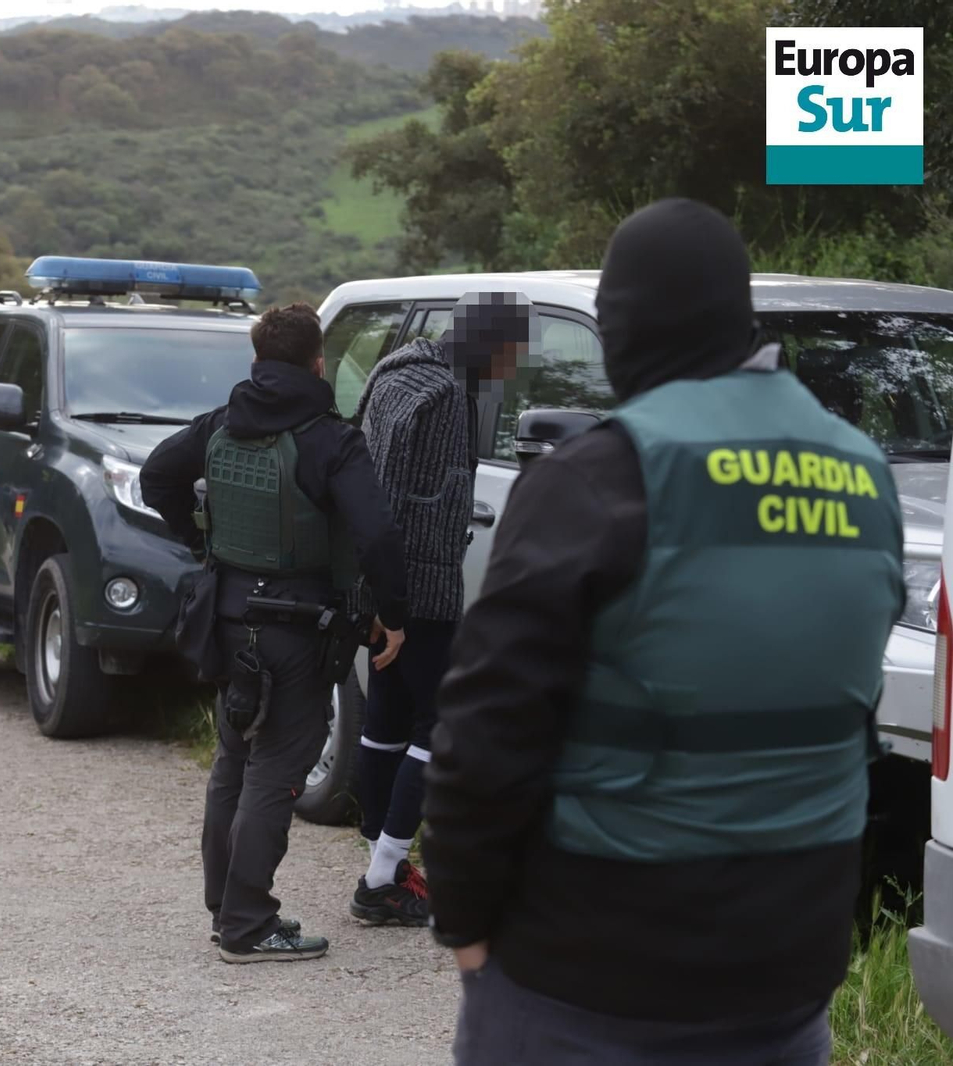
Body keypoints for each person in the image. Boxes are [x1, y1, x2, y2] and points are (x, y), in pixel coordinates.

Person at [422, 198, 905, 1065]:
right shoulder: (865, 476)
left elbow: (484, 736)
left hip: (595, 979)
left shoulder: (597, 476)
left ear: (623, 326)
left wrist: (462, 923)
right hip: (790, 971)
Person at [141, 302, 411, 963]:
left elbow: (155, 477)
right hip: (299, 629)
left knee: (234, 763)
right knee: (275, 771)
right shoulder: (331, 440)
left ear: (256, 362)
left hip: (227, 620)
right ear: (319, 363)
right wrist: (394, 614)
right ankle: (248, 924)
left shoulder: (220, 426)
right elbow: (376, 534)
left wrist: (202, 541)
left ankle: (226, 912)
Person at [347, 291, 536, 926]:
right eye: (516, 347)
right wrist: (395, 608)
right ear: (493, 343)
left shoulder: (393, 371)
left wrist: (373, 593)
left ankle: (384, 859)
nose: (518, 361)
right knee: (439, 726)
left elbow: (367, 488)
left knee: (386, 719)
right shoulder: (445, 397)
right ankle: (381, 879)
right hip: (417, 594)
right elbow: (401, 503)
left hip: (382, 585)